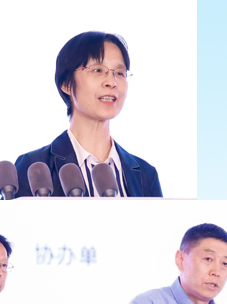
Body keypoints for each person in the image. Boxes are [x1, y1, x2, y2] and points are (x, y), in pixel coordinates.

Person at [13, 31, 161, 197]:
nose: (111, 82)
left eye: (119, 73)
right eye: (97, 70)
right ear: (66, 84)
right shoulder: (34, 167)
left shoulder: (146, 175)